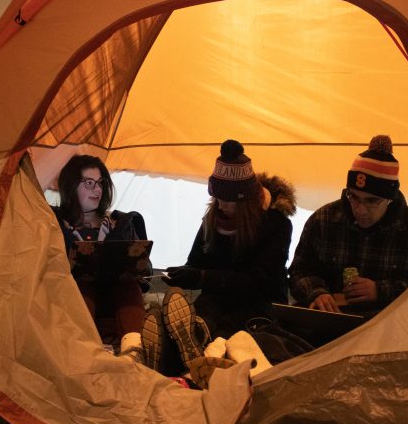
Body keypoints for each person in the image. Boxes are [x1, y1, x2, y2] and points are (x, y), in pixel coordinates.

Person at [288, 134, 408, 316]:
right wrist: (316, 293)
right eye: (354, 197)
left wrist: (380, 291)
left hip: (388, 328)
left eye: (371, 201)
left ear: (390, 199)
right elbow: (299, 271)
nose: (360, 209)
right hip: (329, 322)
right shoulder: (324, 220)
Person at [163, 139, 297, 339]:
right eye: (217, 198)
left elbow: (260, 282)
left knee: (230, 333)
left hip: (260, 303)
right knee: (202, 318)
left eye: (227, 200)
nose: (220, 204)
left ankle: (209, 345)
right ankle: (190, 338)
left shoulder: (277, 224)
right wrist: (184, 275)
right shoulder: (215, 217)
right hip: (216, 298)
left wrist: (203, 277)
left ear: (245, 201)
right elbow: (196, 263)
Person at [52, 154, 154, 365]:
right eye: (89, 183)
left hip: (118, 291)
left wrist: (139, 266)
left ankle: (134, 354)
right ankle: (87, 354)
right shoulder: (54, 223)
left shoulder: (121, 222)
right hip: (78, 292)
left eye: (100, 183)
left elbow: (145, 268)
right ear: (71, 186)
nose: (97, 190)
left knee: (129, 285)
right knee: (82, 286)